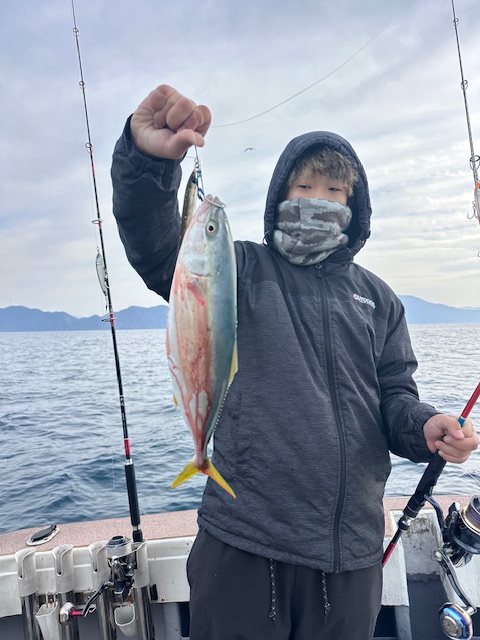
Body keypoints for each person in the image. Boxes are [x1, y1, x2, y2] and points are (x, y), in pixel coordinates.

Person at [111, 84, 479, 640]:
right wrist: (149, 164)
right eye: (305, 186)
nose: (319, 199)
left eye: (334, 189)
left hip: (351, 556)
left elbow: (395, 399)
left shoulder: (378, 299)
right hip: (244, 544)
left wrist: (425, 427)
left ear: (353, 206)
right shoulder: (240, 269)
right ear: (280, 194)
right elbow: (161, 249)